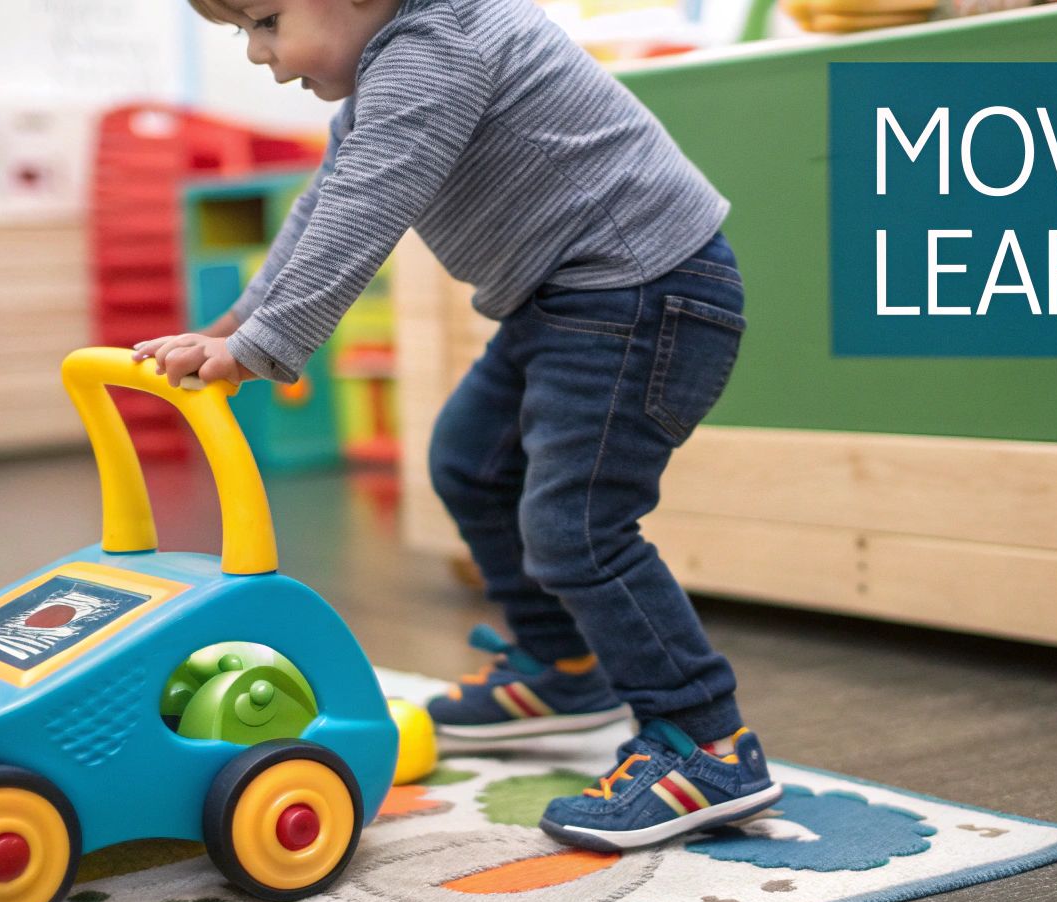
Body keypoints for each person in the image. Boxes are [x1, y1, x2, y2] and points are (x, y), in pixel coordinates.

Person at [138, 0, 780, 851]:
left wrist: (265, 347)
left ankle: (707, 742)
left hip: (641, 293)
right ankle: (564, 670)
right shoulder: (388, 70)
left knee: (578, 528)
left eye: (266, 19)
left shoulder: (433, 47)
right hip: (572, 302)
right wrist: (233, 326)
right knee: (470, 463)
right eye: (242, 33)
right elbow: (328, 200)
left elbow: (368, 208)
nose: (260, 53)